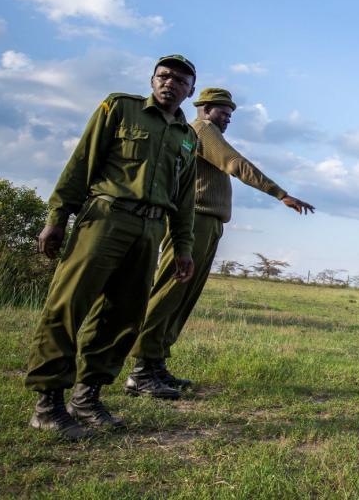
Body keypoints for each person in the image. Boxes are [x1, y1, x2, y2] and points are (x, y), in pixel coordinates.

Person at [25, 55, 200, 439]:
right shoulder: (120, 108)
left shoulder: (189, 138)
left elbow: (184, 200)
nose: (169, 83)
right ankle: (48, 404)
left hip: (151, 229)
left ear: (190, 89)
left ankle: (87, 398)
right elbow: (81, 161)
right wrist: (57, 217)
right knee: (68, 306)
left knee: (123, 316)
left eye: (179, 80)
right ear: (153, 79)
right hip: (106, 218)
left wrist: (183, 248)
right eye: (163, 76)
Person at [124, 87, 314, 398]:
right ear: (205, 108)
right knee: (171, 292)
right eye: (223, 112)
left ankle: (155, 364)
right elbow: (235, 164)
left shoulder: (200, 131)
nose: (227, 119)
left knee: (184, 295)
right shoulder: (203, 130)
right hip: (195, 220)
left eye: (230, 115)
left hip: (208, 222)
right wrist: (280, 193)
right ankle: (142, 371)